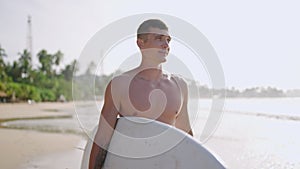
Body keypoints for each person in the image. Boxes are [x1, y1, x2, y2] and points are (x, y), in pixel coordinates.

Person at [89, 19, 193, 169]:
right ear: (140, 43)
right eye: (158, 38)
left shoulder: (180, 86)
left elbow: (186, 137)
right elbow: (103, 139)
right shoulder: (120, 85)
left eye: (168, 40)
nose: (166, 45)